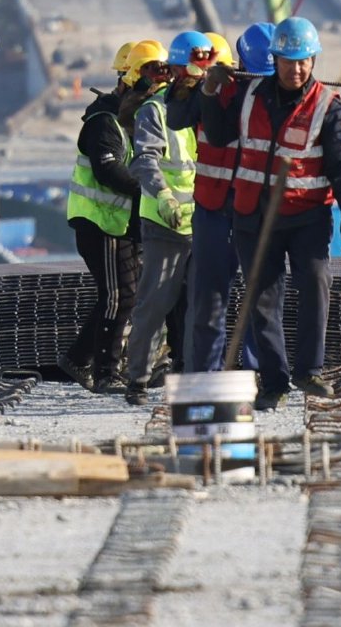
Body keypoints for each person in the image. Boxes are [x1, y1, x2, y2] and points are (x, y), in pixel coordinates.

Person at [197, 16, 341, 411]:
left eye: (304, 60)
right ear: (275, 59)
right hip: (253, 216)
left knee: (315, 285)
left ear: (313, 59)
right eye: (289, 60)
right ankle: (274, 382)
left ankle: (310, 370)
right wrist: (209, 91)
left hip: (307, 217)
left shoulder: (328, 106)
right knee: (263, 300)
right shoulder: (249, 95)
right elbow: (219, 135)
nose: (297, 68)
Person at [60, 40, 150, 391]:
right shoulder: (104, 122)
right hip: (103, 223)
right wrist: (150, 194)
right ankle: (106, 373)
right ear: (129, 79)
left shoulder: (138, 119)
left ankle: (78, 360)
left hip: (121, 222)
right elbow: (107, 171)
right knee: (120, 296)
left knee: (121, 295)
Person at [184, 22, 271, 373]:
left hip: (253, 211)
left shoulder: (280, 99)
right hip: (215, 211)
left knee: (260, 300)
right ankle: (206, 374)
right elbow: (204, 127)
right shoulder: (215, 96)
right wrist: (205, 86)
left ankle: (252, 372)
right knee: (211, 301)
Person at [120, 35, 202, 405]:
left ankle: (188, 375)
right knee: (155, 302)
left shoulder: (210, 109)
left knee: (197, 305)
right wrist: (164, 196)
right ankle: (137, 378)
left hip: (203, 223)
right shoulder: (154, 111)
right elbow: (144, 160)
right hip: (164, 223)